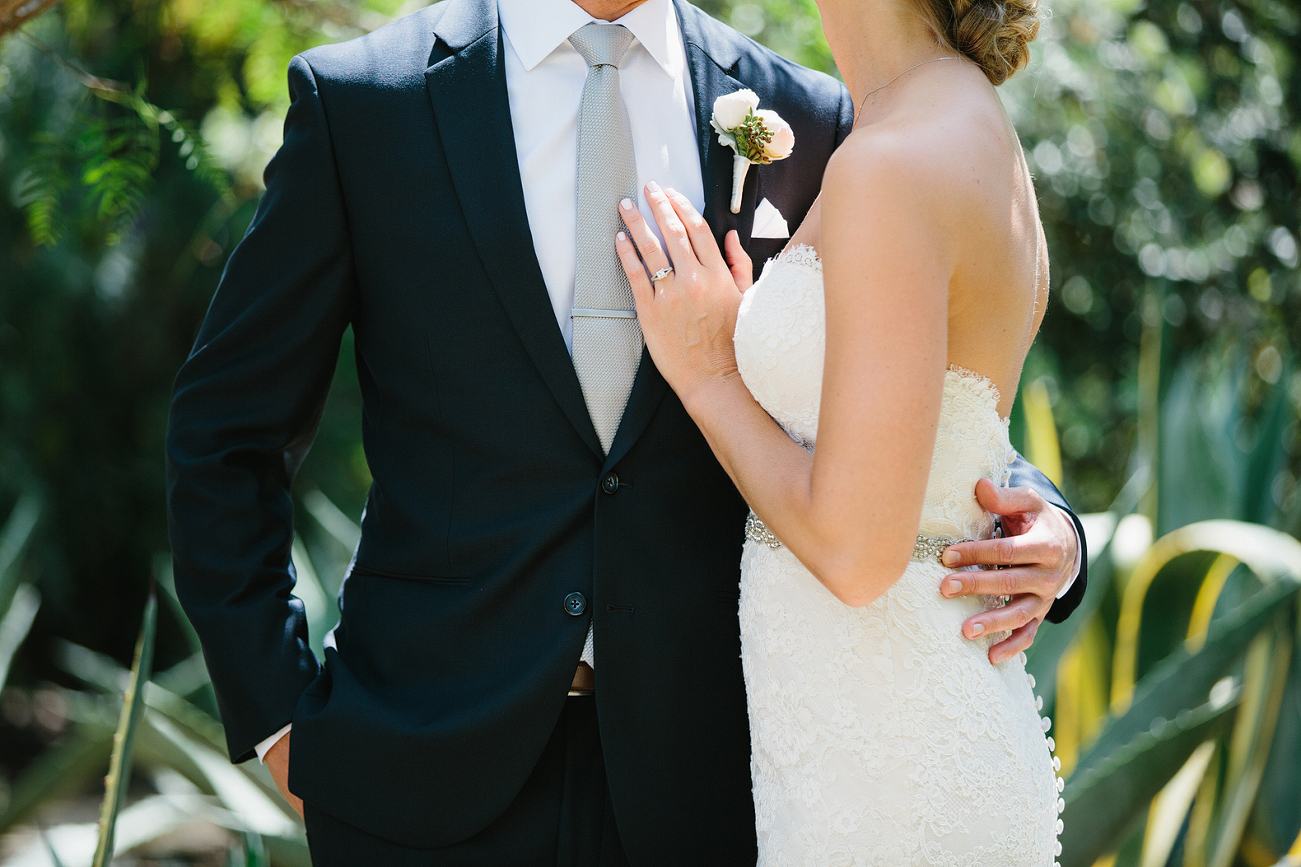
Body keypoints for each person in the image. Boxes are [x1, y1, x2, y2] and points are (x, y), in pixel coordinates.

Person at [165, 0, 1086, 863]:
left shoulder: (803, 114)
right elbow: (224, 428)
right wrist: (281, 719)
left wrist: (1046, 525)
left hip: (710, 784)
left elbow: (911, 387)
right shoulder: (369, 103)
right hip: (418, 774)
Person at [613, 0, 1065, 862]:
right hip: (886, 735)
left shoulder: (892, 161)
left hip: (885, 774)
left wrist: (710, 373)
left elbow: (858, 552)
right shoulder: (954, 121)